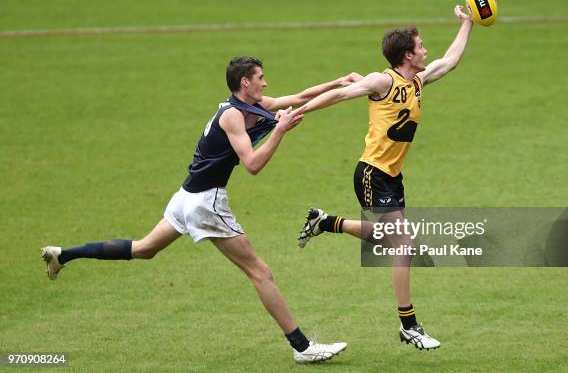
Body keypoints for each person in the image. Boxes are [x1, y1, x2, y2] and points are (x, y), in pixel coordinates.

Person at [41, 57, 361, 364]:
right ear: (245, 82)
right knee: (260, 272)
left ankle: (63, 255)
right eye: (261, 77)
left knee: (144, 249)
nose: (266, 82)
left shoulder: (252, 107)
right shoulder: (233, 116)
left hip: (185, 197)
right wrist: (280, 130)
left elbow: (302, 96)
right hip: (205, 201)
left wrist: (339, 81)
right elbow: (252, 165)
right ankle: (302, 347)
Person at [296, 5, 475, 350]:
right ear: (407, 55)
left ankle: (325, 222)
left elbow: (450, 60)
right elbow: (340, 94)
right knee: (403, 245)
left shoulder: (417, 80)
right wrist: (299, 111)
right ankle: (409, 325)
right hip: (372, 174)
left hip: (392, 177)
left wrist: (467, 23)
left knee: (384, 238)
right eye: (421, 46)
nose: (426, 50)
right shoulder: (384, 82)